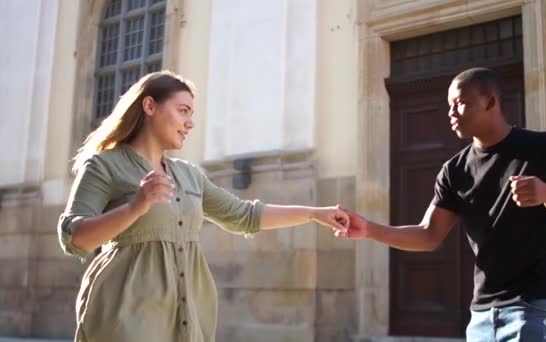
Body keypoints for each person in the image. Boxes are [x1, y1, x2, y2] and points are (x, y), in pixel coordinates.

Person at [57, 70, 349, 342]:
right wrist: (135, 207)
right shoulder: (104, 165)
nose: (190, 123)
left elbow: (244, 215)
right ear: (149, 106)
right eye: (183, 111)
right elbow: (75, 237)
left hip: (187, 318)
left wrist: (314, 214)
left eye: (192, 114)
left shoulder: (189, 175)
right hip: (127, 318)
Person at [335, 67, 546, 341]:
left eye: (460, 103)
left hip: (536, 305)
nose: (451, 113)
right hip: (482, 315)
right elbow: (428, 235)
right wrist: (368, 229)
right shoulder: (454, 170)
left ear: (490, 102)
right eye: (449, 105)